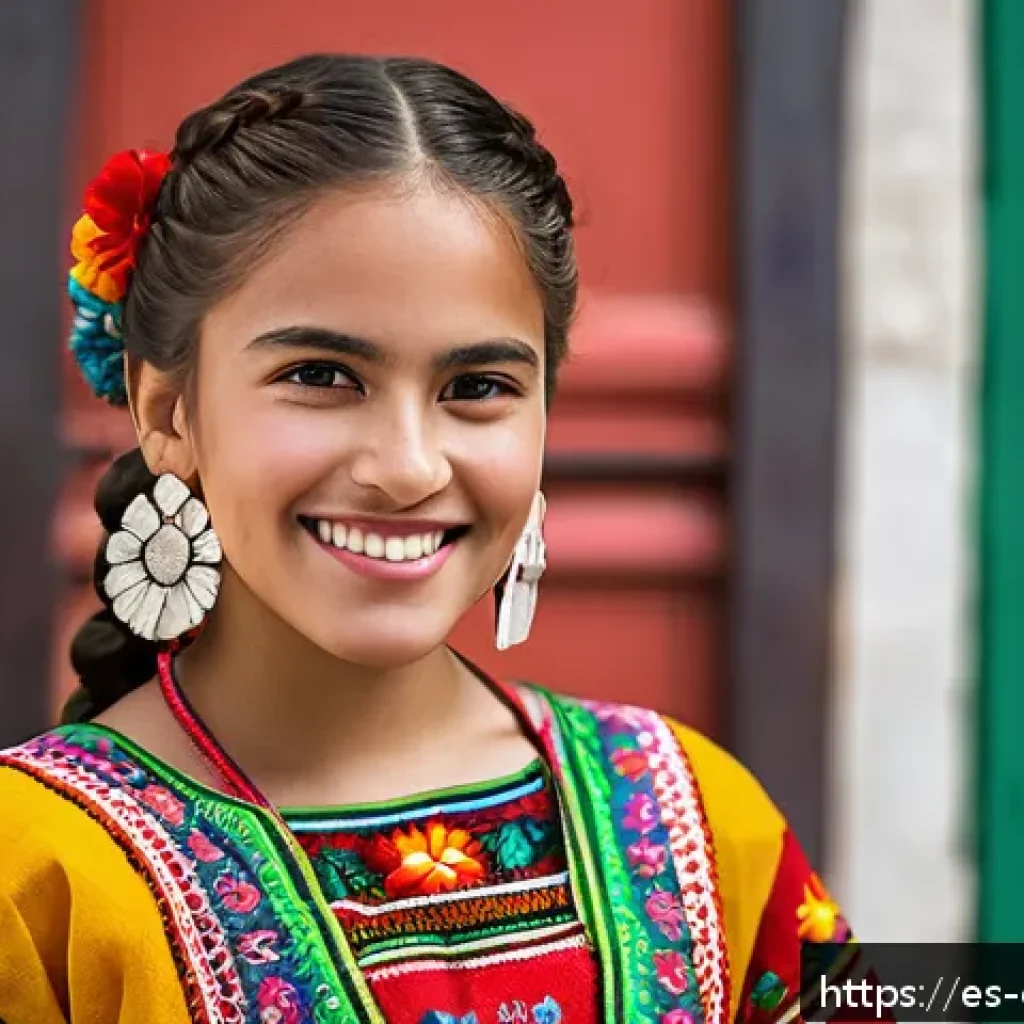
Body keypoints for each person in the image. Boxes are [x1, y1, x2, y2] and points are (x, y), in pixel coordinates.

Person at [0, 54, 855, 1024]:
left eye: (477, 388)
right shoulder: (36, 872)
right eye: (321, 376)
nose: (407, 466)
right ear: (169, 411)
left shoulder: (697, 813)